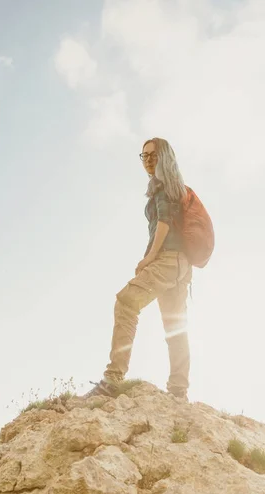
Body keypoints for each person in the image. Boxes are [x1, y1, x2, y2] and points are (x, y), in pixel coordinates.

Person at [85, 137, 192, 401]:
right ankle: (179, 392)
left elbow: (164, 222)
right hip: (182, 265)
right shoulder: (176, 186)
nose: (148, 160)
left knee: (126, 302)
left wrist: (149, 257)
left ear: (165, 156)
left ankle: (112, 379)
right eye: (144, 156)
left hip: (166, 260)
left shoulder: (162, 186)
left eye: (154, 155)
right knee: (175, 328)